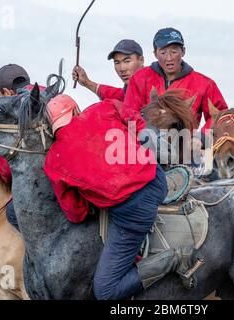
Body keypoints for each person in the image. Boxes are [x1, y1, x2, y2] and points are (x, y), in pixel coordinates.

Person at [43, 94, 194, 300]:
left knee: (105, 293)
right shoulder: (101, 108)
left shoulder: (53, 161)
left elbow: (75, 213)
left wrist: (90, 197)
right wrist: (140, 136)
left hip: (134, 212)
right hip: (157, 178)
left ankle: (175, 258)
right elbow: (133, 116)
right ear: (76, 110)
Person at [123, 27, 228, 132]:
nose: (169, 58)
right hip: (143, 143)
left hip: (185, 144)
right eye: (163, 52)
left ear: (183, 51)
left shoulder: (205, 84)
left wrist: (202, 138)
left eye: (174, 51)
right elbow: (129, 112)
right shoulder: (140, 77)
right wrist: (148, 132)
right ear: (155, 54)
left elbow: (221, 115)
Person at [0, 63, 45, 230]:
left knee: (13, 212)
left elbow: (6, 171)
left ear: (7, 92)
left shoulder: (16, 111)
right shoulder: (47, 94)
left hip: (44, 183)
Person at [72, 39, 144, 102]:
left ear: (141, 60)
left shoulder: (152, 85)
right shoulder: (131, 90)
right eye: (117, 62)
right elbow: (119, 96)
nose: (122, 68)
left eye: (127, 61)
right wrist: (86, 82)